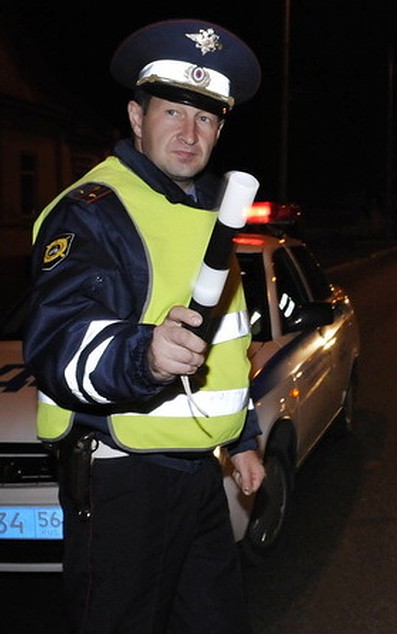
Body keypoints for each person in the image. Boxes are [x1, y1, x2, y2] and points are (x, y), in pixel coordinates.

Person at [23, 19, 265, 633]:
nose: (190, 134)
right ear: (136, 117)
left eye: (206, 118)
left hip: (196, 474)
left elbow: (224, 343)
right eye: (173, 113)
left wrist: (242, 438)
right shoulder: (95, 210)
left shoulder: (201, 210)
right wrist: (145, 358)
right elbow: (58, 339)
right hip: (122, 480)